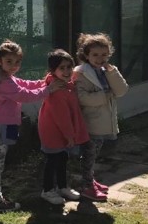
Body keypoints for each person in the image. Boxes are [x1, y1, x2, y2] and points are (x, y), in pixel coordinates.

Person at [0, 40, 60, 212]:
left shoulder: (6, 77)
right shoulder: (4, 82)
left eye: (17, 62)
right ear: (0, 61)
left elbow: (25, 84)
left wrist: (43, 82)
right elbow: (23, 95)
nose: (14, 65)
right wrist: (48, 90)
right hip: (1, 126)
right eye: (9, 61)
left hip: (2, 124)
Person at [74, 33, 129, 201]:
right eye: (95, 55)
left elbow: (121, 91)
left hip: (105, 121)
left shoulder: (108, 71)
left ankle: (91, 181)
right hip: (91, 122)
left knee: (94, 154)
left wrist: (112, 73)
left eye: (104, 55)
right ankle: (86, 186)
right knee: (89, 155)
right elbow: (82, 98)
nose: (100, 59)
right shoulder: (81, 73)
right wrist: (105, 95)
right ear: (86, 55)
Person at [37, 49, 88, 205]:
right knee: (52, 161)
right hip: (54, 132)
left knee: (62, 159)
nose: (66, 71)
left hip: (62, 132)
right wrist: (69, 135)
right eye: (62, 68)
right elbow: (62, 117)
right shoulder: (56, 90)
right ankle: (47, 190)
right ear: (53, 70)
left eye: (68, 67)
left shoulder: (66, 85)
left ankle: (62, 186)